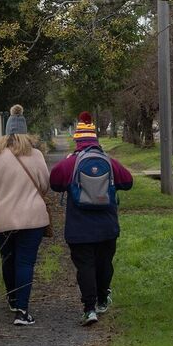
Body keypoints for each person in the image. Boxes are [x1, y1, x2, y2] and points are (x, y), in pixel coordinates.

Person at [50, 112, 133, 326]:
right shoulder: (109, 161)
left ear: (77, 140)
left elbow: (55, 183)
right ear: (95, 140)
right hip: (107, 226)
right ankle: (103, 299)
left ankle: (89, 309)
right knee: (104, 264)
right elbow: (128, 182)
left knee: (85, 266)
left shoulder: (70, 164)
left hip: (79, 228)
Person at [0, 104, 50, 326]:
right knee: (25, 262)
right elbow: (44, 184)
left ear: (7, 131)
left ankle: (12, 299)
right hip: (32, 218)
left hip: (1, 216)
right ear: (26, 132)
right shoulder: (36, 154)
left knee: (8, 258)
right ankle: (22, 311)